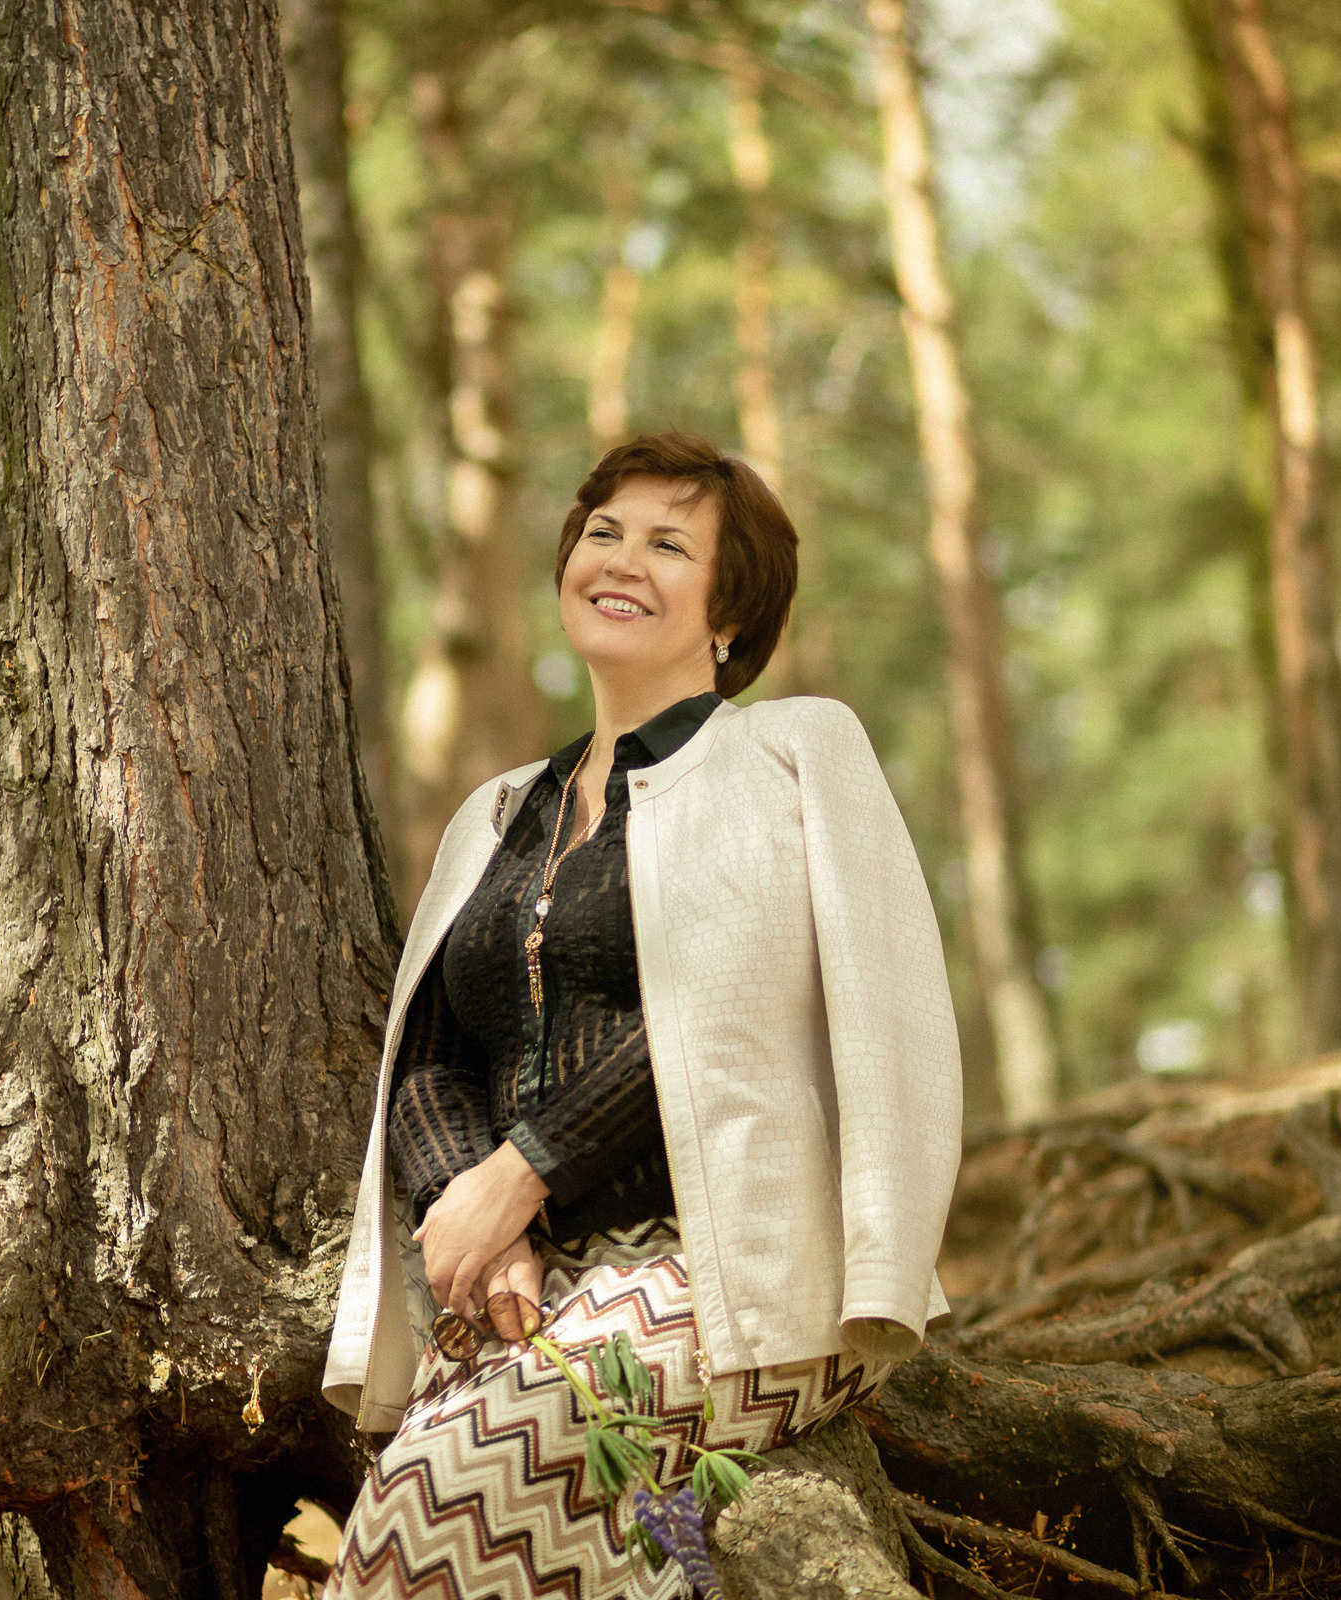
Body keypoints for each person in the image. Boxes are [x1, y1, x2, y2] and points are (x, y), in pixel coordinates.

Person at [321, 432, 962, 1598]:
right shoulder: (501, 809)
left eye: (670, 543)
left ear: (731, 611)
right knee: (398, 1540)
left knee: (419, 1528)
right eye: (603, 531)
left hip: (734, 1276)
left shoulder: (792, 755)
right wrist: (486, 1217)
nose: (620, 558)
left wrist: (521, 1170)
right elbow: (427, 1054)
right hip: (535, 1285)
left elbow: (727, 1009)